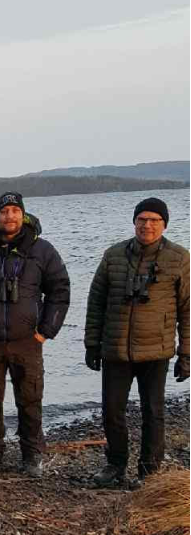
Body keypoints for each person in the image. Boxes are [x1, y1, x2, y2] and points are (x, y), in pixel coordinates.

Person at [85, 197, 189, 487]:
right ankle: (115, 465)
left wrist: (186, 354)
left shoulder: (179, 258)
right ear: (134, 222)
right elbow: (96, 302)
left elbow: (187, 310)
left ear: (164, 224)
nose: (147, 225)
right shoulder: (113, 255)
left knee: (153, 412)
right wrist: (92, 344)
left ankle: (149, 471)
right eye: (142, 219)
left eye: (154, 220)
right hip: (115, 347)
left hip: (156, 349)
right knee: (112, 410)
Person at [0, 192, 70, 478]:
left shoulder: (43, 251)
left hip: (28, 340)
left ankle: (32, 455)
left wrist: (45, 332)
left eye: (14, 211)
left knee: (30, 398)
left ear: (22, 215)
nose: (9, 217)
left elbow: (60, 291)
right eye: (4, 212)